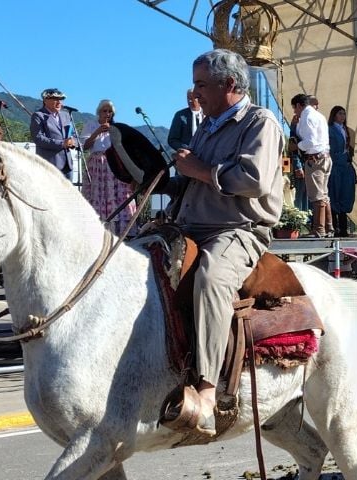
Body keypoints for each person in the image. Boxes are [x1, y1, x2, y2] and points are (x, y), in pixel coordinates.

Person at [157, 49, 283, 436]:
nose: (195, 94)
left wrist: (199, 168)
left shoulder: (260, 122)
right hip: (191, 225)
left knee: (211, 278)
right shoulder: (207, 126)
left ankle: (209, 392)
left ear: (229, 85)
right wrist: (159, 177)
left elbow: (255, 179)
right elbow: (194, 180)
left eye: (201, 85)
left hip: (238, 229)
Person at [80, 99, 137, 235]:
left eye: (110, 111)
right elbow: (85, 146)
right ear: (99, 112)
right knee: (97, 194)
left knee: (118, 195)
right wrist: (97, 132)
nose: (107, 114)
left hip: (114, 163)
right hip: (97, 164)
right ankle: (97, 228)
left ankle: (120, 230)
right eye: (104, 111)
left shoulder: (117, 128)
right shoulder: (91, 125)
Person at [292, 93, 332, 237]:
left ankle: (319, 229)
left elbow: (310, 142)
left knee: (316, 196)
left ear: (298, 105)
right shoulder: (318, 115)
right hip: (325, 157)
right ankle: (328, 227)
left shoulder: (307, 117)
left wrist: (297, 146)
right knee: (324, 194)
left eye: (294, 108)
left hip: (315, 159)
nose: (295, 112)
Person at [29, 88, 77, 180]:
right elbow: (38, 138)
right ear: (45, 100)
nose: (59, 102)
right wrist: (62, 143)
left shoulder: (66, 115)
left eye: (61, 99)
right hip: (50, 164)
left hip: (67, 165)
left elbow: (74, 134)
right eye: (55, 99)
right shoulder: (39, 116)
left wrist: (73, 142)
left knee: (67, 193)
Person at [326, 105, 357, 237]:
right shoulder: (330, 130)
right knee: (334, 193)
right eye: (340, 114)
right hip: (335, 165)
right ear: (334, 115)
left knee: (346, 193)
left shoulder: (347, 130)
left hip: (345, 165)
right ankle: (335, 227)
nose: (342, 116)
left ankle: (344, 227)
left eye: (344, 114)